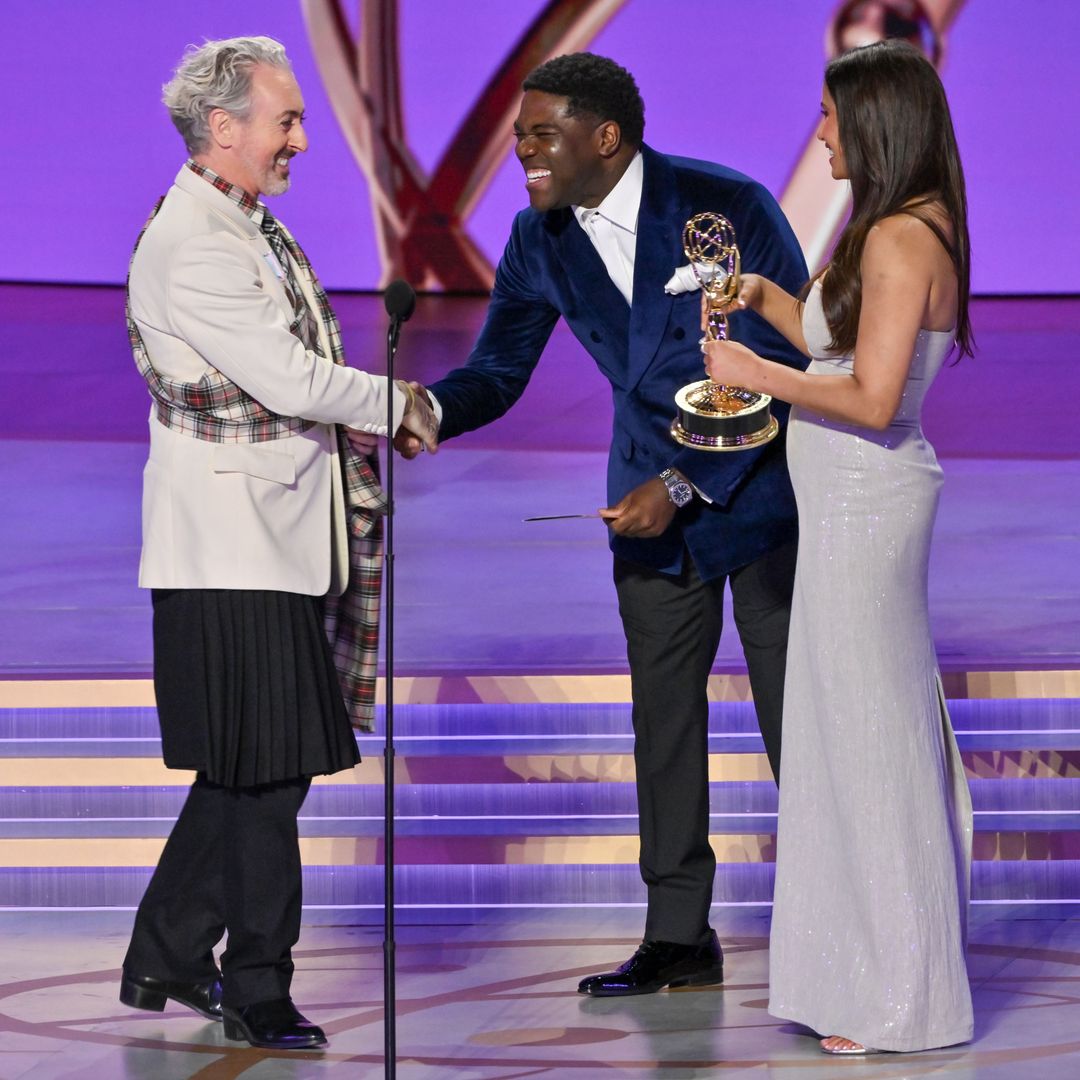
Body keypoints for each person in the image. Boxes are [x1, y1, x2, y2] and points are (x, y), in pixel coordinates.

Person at [397, 52, 808, 995]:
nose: (523, 154)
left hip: (762, 491)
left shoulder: (725, 204)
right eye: (518, 137)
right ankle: (678, 934)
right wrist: (421, 408)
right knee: (663, 719)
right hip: (646, 511)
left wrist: (685, 478)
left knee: (800, 720)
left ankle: (831, 920)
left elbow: (791, 362)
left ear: (606, 136)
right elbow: (498, 373)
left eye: (541, 134)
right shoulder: (539, 236)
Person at [119, 37, 437, 1051]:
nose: (302, 138)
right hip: (230, 547)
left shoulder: (241, 224)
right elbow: (292, 381)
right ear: (226, 129)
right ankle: (257, 986)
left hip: (265, 540)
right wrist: (403, 402)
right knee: (262, 776)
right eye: (286, 120)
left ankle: (169, 946)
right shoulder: (200, 243)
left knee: (263, 770)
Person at [702, 39, 974, 1054]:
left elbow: (866, 397)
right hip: (848, 511)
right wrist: (762, 303)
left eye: (829, 115)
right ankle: (865, 975)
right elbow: (839, 339)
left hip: (868, 510)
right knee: (846, 735)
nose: (818, 133)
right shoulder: (895, 228)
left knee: (870, 745)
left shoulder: (904, 240)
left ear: (874, 122)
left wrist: (751, 372)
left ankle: (899, 994)